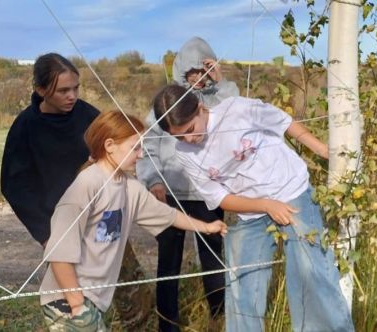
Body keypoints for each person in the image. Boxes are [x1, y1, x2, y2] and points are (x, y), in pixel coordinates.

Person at [152, 85, 355, 332]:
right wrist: (265, 205)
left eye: (190, 130)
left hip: (291, 191)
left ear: (200, 108)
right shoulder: (183, 152)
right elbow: (219, 198)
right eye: (178, 136)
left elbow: (283, 122)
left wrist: (322, 150)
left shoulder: (237, 109)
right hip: (250, 211)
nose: (188, 139)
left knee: (310, 272)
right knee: (241, 284)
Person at [0, 53, 152, 327]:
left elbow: (116, 151)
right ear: (41, 90)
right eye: (63, 91)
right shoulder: (26, 127)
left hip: (106, 220)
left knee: (133, 293)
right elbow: (15, 186)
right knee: (73, 306)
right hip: (65, 232)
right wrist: (45, 235)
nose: (72, 96)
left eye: (76, 88)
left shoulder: (88, 115)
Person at [39, 111, 227, 331]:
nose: (140, 155)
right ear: (109, 145)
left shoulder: (129, 187)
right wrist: (77, 302)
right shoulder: (87, 185)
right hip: (66, 299)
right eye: (135, 147)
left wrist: (205, 226)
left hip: (93, 299)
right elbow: (60, 253)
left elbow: (167, 214)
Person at [136, 36, 238, 331]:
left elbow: (237, 114)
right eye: (191, 75)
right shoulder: (166, 104)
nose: (197, 80)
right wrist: (154, 182)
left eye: (203, 73)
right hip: (170, 194)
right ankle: (167, 323)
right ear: (180, 74)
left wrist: (222, 84)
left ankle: (218, 316)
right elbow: (147, 149)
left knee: (212, 256)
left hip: (207, 194)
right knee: (168, 263)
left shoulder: (217, 102)